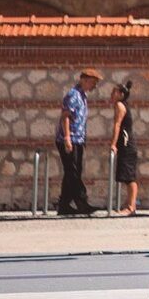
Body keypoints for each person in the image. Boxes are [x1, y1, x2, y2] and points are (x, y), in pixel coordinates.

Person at [56, 67, 102, 216]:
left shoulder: (82, 96)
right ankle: (82, 202)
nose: (94, 86)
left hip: (78, 139)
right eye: (93, 83)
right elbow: (66, 117)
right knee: (73, 172)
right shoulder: (73, 95)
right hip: (70, 139)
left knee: (72, 172)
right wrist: (67, 138)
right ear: (84, 80)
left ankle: (64, 205)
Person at [108, 80, 139, 216]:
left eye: (114, 92)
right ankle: (128, 204)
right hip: (126, 144)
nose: (111, 94)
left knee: (129, 177)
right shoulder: (122, 105)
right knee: (127, 176)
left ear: (121, 94)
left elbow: (117, 125)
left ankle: (131, 207)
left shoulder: (120, 106)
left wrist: (113, 144)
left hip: (126, 144)